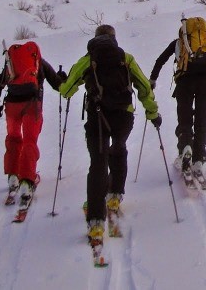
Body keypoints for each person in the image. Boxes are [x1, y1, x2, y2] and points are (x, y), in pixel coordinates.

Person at [59, 24, 160, 245]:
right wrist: (153, 113)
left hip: (97, 119)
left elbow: (66, 90)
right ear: (114, 39)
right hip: (124, 117)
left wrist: (64, 81)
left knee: (97, 163)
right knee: (119, 150)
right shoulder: (126, 58)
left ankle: (96, 222)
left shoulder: (87, 60)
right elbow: (144, 87)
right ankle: (114, 197)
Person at [0, 40, 66, 207]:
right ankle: (27, 181)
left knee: (13, 137)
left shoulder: (11, 65)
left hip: (11, 106)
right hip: (32, 106)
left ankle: (13, 176)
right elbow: (58, 85)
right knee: (30, 140)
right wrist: (63, 78)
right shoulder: (40, 63)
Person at [149, 16, 206, 177]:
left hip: (184, 82)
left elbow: (160, 61)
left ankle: (185, 147)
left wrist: (152, 80)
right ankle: (199, 158)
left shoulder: (178, 44)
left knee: (184, 119)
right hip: (205, 84)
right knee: (202, 120)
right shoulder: (205, 47)